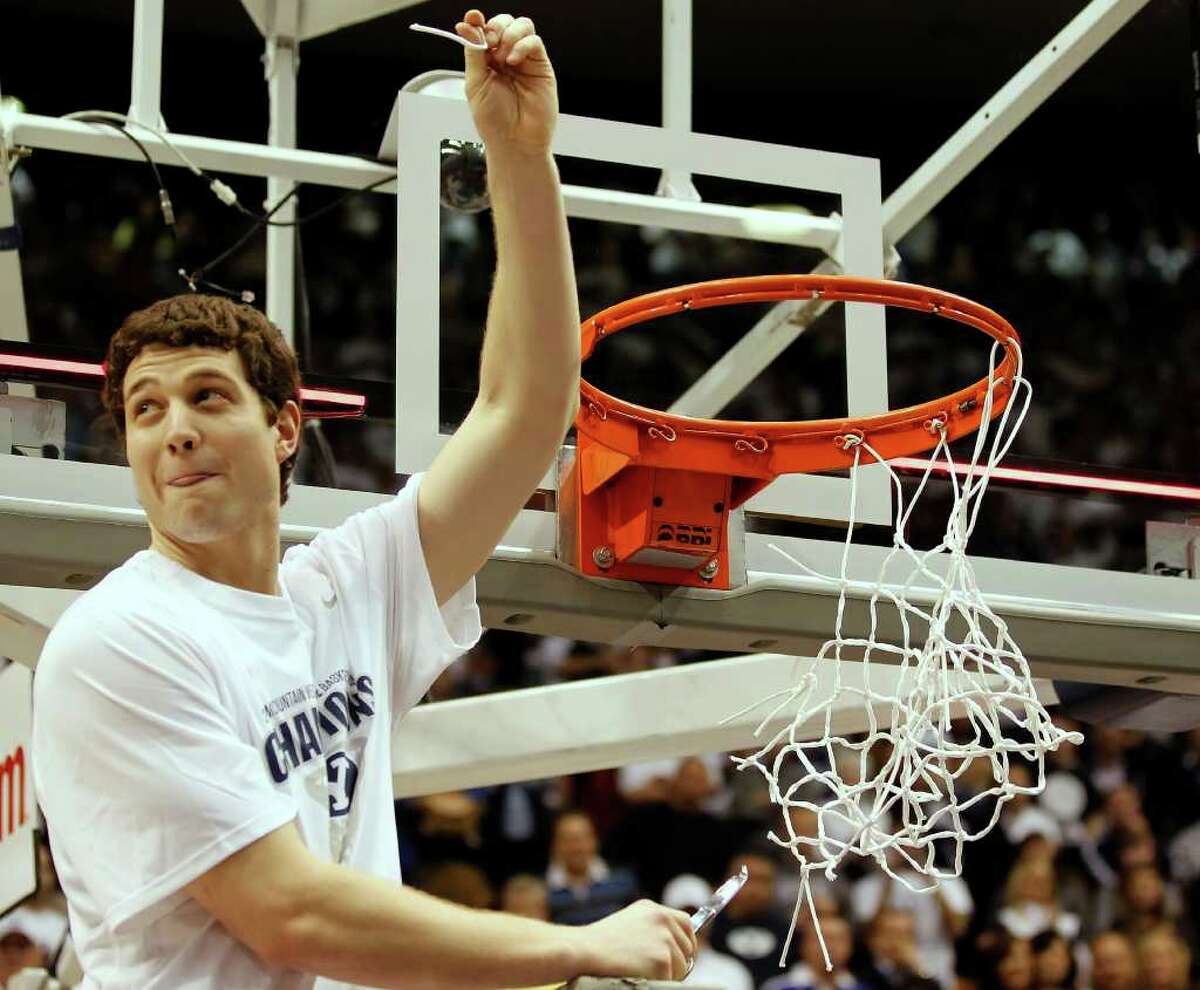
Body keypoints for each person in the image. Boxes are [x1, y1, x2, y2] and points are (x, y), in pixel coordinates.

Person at [29, 9, 696, 988]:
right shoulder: (117, 642)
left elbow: (522, 409)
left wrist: (521, 155)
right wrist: (577, 943)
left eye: (208, 397)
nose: (174, 428)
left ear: (286, 428)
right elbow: (290, 914)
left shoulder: (345, 586)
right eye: (144, 409)